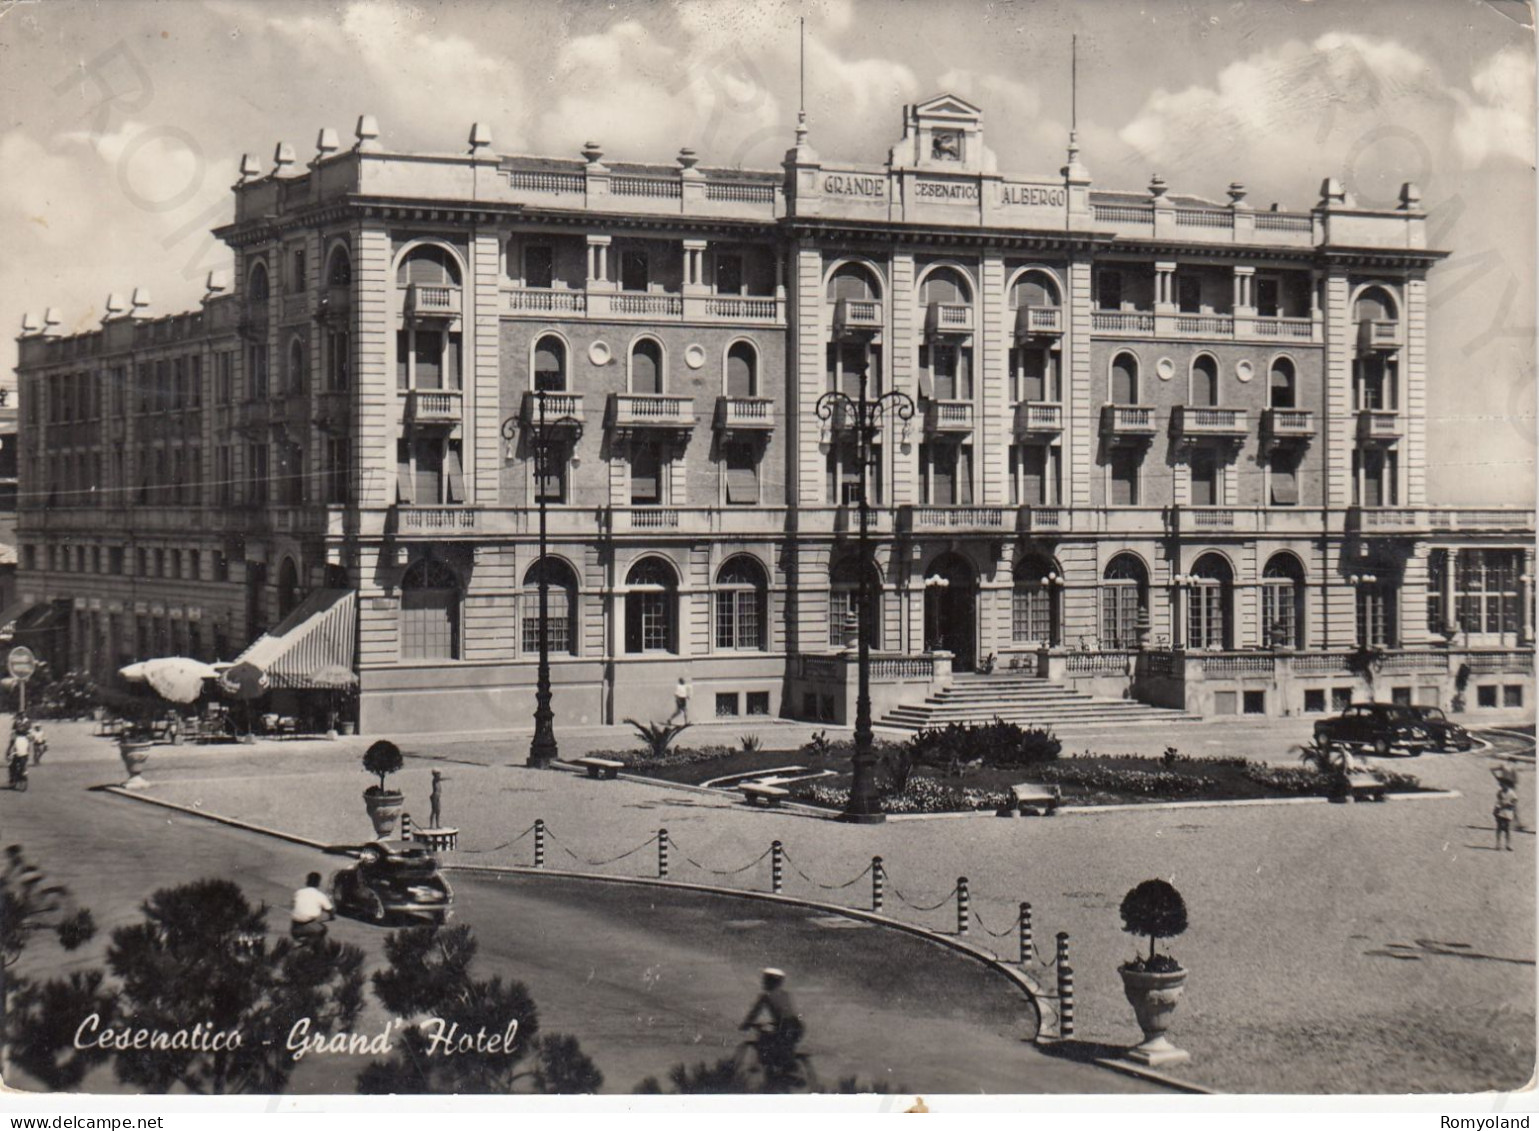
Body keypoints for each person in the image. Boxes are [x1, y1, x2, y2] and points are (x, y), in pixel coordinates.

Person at [740, 968, 805, 1083]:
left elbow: (755, 1012)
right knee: (781, 1049)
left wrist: (746, 1024)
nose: (763, 982)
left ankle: (782, 1073)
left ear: (769, 982)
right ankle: (789, 1069)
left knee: (766, 1041)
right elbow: (787, 1013)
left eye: (765, 980)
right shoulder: (785, 994)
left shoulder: (765, 996)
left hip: (786, 1027)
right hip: (797, 1026)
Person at [290, 871, 335, 944]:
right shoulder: (320, 895)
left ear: (307, 881)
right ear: (318, 883)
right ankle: (318, 952)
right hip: (309, 926)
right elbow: (330, 909)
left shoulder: (299, 892)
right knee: (323, 930)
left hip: (294, 927)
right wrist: (332, 916)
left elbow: (293, 905)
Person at [1494, 780, 1519, 852]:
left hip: (1508, 812)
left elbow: (1515, 800)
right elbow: (1498, 801)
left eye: (1503, 785)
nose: (1502, 786)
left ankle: (1508, 844)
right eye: (1501, 785)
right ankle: (1498, 844)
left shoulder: (1511, 793)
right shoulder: (1500, 792)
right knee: (1499, 827)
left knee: (1507, 829)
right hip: (1500, 811)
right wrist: (1496, 809)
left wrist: (1510, 804)